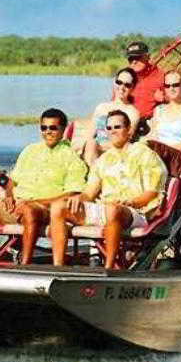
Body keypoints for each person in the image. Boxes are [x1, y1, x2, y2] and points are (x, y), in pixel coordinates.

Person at [0, 108, 87, 265]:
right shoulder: (30, 150)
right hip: (16, 204)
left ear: (63, 129)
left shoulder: (71, 157)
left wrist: (38, 202)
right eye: (44, 128)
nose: (48, 132)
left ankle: (25, 263)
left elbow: (72, 193)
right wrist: (9, 196)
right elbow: (11, 181)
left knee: (29, 210)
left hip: (44, 208)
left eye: (53, 128)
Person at [49, 110, 167, 269]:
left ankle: (109, 268)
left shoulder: (145, 154)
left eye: (117, 127)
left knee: (112, 210)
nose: (113, 131)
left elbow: (152, 193)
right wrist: (79, 198)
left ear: (129, 129)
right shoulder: (103, 160)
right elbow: (90, 193)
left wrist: (131, 201)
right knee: (58, 207)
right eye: (109, 128)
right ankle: (58, 267)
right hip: (106, 209)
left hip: (137, 212)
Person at [83, 67, 140, 166]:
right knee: (91, 144)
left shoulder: (132, 112)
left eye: (127, 85)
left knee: (93, 145)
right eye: (119, 82)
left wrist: (100, 146)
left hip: (116, 150)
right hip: (94, 149)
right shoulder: (101, 107)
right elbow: (90, 135)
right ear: (114, 83)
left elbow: (126, 139)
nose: (122, 87)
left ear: (132, 88)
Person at [146, 70, 181, 157]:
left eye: (175, 85)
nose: (171, 89)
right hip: (158, 154)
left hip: (178, 156)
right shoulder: (158, 110)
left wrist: (164, 150)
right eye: (167, 86)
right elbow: (153, 136)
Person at [125, 41, 165, 120]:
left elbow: (177, 100)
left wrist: (164, 98)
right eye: (130, 58)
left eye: (137, 57)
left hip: (150, 123)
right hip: (126, 122)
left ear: (148, 56)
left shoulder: (161, 76)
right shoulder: (124, 76)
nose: (134, 61)